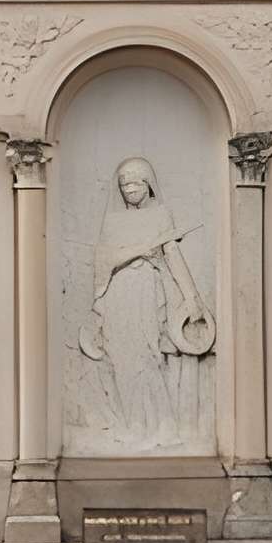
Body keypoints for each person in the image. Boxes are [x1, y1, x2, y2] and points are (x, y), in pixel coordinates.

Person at [80, 156, 214, 441]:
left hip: (146, 291)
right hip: (118, 292)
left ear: (148, 183)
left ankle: (163, 424)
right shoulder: (113, 221)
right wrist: (140, 248)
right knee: (123, 358)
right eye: (124, 184)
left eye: (135, 182)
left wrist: (192, 298)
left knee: (149, 356)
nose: (129, 189)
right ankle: (135, 425)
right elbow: (105, 260)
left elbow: (173, 257)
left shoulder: (160, 215)